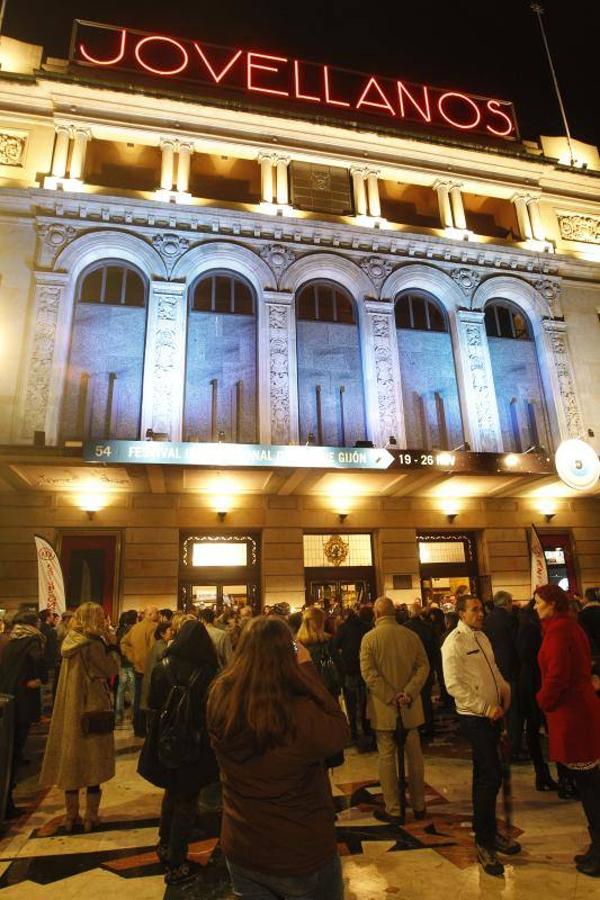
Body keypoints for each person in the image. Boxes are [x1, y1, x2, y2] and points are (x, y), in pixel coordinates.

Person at [207, 616, 348, 899]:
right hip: (298, 848)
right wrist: (307, 669)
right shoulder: (298, 712)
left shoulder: (220, 697)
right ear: (288, 656)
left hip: (243, 843)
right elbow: (339, 730)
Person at [442, 594, 519, 877]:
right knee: (490, 776)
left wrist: (505, 690)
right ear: (461, 614)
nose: (480, 613)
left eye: (481, 609)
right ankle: (484, 843)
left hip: (494, 715)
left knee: (484, 776)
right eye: (474, 610)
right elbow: (454, 685)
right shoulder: (454, 643)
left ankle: (485, 828)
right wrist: (485, 707)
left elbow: (493, 670)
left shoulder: (482, 638)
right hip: (475, 719)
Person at [138, 620, 219, 886]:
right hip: (194, 742)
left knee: (172, 791)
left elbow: (152, 703)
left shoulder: (163, 666)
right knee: (187, 797)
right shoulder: (207, 671)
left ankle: (164, 842)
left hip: (166, 740)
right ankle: (176, 862)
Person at [534, 583, 600, 878]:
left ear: (552, 604)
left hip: (572, 715)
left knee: (589, 785)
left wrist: (542, 700)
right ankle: (596, 846)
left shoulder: (559, 631)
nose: (535, 607)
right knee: (590, 783)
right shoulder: (568, 627)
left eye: (538, 602)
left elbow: (558, 675)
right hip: (579, 709)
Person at [40, 602, 119, 833]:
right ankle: (91, 817)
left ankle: (70, 815)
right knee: (93, 762)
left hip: (69, 709)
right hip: (91, 707)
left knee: (71, 763)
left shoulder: (69, 641)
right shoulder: (93, 644)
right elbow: (108, 669)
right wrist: (112, 649)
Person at [360, 596, 430, 824]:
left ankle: (393, 808)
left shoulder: (369, 639)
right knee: (415, 757)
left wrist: (390, 696)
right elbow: (423, 666)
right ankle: (419, 805)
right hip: (409, 706)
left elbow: (369, 674)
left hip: (384, 708)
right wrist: (407, 692)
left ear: (377, 615)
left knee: (387, 757)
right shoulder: (411, 636)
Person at [0, 609, 48, 818]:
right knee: (15, 752)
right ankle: (7, 803)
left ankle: (6, 800)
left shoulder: (9, 642)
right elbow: (39, 662)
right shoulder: (32, 642)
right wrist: (39, 678)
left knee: (8, 751)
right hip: (22, 702)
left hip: (7, 700)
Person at [516, 599, 558, 792]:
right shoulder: (530, 628)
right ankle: (544, 774)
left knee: (540, 730)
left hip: (534, 682)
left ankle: (547, 774)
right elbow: (526, 656)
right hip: (533, 683)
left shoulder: (536, 626)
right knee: (537, 729)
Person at [482, 591, 524, 761]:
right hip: (511, 670)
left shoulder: (487, 620)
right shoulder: (511, 619)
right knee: (513, 711)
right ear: (507, 602)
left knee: (497, 709)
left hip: (493, 670)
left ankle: (500, 744)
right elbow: (517, 644)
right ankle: (514, 747)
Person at [332, 607, 370, 743]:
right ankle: (367, 726)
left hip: (349, 669)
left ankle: (353, 729)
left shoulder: (343, 629)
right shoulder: (366, 627)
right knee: (365, 700)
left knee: (351, 702)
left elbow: (335, 646)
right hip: (364, 668)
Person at [120, 605, 159, 737]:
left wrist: (132, 657)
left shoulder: (135, 628)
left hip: (137, 667)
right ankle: (145, 729)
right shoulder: (153, 628)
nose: (158, 614)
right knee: (146, 700)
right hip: (149, 669)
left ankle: (137, 728)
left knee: (137, 699)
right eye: (156, 612)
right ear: (150, 614)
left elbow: (123, 643)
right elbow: (154, 649)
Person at [404, 602, 438, 740]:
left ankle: (417, 726)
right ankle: (429, 726)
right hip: (427, 667)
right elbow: (434, 648)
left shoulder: (405, 629)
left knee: (413, 698)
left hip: (411, 669)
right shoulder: (428, 628)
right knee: (426, 699)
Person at [139, 620, 172, 719]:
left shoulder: (159, 644)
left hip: (152, 688)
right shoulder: (161, 646)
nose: (173, 633)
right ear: (162, 633)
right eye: (170, 630)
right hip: (153, 689)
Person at [115, 610, 137, 725]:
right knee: (133, 691)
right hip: (131, 663)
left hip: (122, 664)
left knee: (120, 691)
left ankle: (118, 716)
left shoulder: (119, 630)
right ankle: (133, 715)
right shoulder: (133, 630)